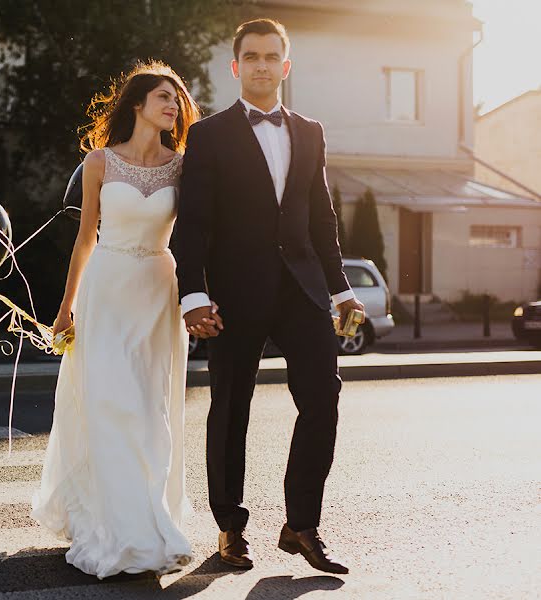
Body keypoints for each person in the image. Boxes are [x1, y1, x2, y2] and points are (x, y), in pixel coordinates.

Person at [175, 18, 363, 575]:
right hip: (232, 294)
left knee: (322, 399)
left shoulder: (310, 131)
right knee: (231, 409)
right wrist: (193, 295)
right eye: (250, 56)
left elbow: (321, 218)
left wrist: (341, 288)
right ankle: (230, 528)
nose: (261, 64)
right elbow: (194, 225)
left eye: (271, 55)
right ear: (236, 67)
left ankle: (301, 525)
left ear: (286, 65)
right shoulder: (207, 135)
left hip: (302, 290)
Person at [31, 61, 208, 579]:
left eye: (177, 98)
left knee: (149, 409)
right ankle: (121, 529)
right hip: (105, 290)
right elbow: (85, 238)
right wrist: (66, 306)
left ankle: (151, 519)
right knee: (109, 402)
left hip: (157, 290)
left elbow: (198, 236)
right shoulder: (99, 162)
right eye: (162, 97)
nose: (173, 105)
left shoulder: (183, 166)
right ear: (137, 104)